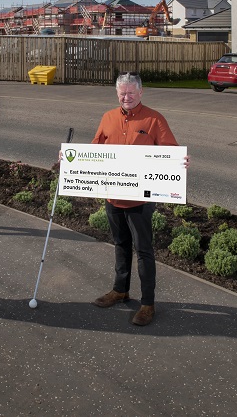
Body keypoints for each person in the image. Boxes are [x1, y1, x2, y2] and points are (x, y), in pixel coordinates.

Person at [91, 72, 187, 326]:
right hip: (113, 197)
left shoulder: (154, 119)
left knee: (143, 250)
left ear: (141, 93)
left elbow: (170, 151)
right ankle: (120, 290)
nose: (126, 97)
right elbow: (93, 150)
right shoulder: (108, 117)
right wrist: (70, 158)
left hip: (141, 200)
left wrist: (180, 161)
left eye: (131, 93)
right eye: (122, 93)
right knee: (120, 244)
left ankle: (147, 304)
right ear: (117, 94)